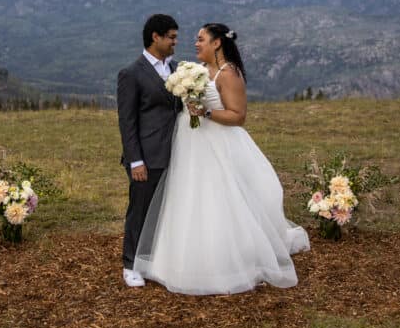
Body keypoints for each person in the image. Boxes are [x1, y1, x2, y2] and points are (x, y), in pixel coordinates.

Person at [133, 23, 310, 295]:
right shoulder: (199, 71)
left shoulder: (229, 74)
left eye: (201, 39)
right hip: (190, 145)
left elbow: (238, 116)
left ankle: (226, 260)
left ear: (217, 43)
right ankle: (183, 258)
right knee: (189, 197)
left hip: (217, 144)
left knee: (218, 197)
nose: (195, 43)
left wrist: (204, 113)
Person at [117, 14, 181, 288]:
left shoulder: (177, 68)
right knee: (140, 211)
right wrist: (136, 161)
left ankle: (153, 259)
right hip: (147, 157)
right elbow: (127, 122)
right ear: (155, 37)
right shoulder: (131, 74)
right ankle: (130, 264)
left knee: (164, 211)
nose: (175, 42)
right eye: (171, 37)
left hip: (176, 153)